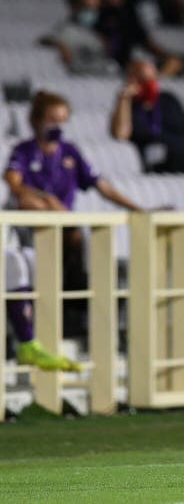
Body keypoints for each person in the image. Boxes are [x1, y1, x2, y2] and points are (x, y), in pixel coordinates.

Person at [3, 91, 144, 371]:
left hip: (66, 236)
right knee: (32, 209)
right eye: (52, 119)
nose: (57, 126)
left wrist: (139, 210)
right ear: (36, 120)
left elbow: (103, 187)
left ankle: (75, 311)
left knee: (79, 238)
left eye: (62, 120)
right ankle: (38, 331)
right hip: (31, 233)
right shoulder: (23, 151)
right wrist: (48, 200)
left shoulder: (70, 152)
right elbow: (15, 185)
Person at [110, 59, 184, 173]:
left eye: (152, 79)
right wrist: (123, 98)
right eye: (143, 80)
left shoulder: (168, 99)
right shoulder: (127, 107)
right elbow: (120, 135)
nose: (150, 84)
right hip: (164, 167)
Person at [95, 0, 184, 77]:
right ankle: (158, 82)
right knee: (164, 64)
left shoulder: (128, 16)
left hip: (143, 59)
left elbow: (146, 42)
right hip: (124, 63)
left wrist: (170, 55)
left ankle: (171, 76)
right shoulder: (101, 18)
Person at [39, 0, 119, 76]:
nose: (93, 12)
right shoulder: (66, 29)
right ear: (75, 7)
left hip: (105, 77)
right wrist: (58, 45)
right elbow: (45, 40)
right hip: (78, 79)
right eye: (87, 7)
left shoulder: (100, 30)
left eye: (96, 8)